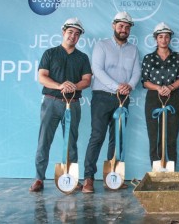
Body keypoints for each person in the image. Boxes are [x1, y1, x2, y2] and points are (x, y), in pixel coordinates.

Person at [29, 18, 92, 192]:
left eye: (77, 34)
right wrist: (60, 86)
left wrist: (73, 86)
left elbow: (86, 80)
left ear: (79, 37)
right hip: (51, 101)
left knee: (71, 142)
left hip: (72, 104)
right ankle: (39, 179)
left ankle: (71, 179)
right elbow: (42, 77)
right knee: (44, 141)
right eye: (70, 32)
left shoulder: (82, 57)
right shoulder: (50, 53)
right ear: (63, 32)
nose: (73, 36)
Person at [82, 11, 141, 193]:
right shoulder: (102, 45)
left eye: (127, 26)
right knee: (97, 137)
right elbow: (97, 70)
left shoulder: (133, 50)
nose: (124, 29)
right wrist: (117, 86)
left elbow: (137, 72)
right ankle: (88, 179)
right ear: (114, 26)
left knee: (117, 139)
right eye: (121, 25)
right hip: (102, 96)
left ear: (130, 29)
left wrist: (129, 86)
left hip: (123, 98)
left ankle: (112, 178)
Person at [141, 22, 179, 166]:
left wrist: (170, 87)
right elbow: (145, 81)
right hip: (154, 97)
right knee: (154, 135)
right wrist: (159, 88)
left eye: (167, 37)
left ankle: (171, 171)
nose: (164, 40)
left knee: (172, 136)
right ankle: (156, 169)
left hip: (174, 97)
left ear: (170, 38)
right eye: (161, 37)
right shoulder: (149, 58)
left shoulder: (177, 57)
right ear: (156, 39)